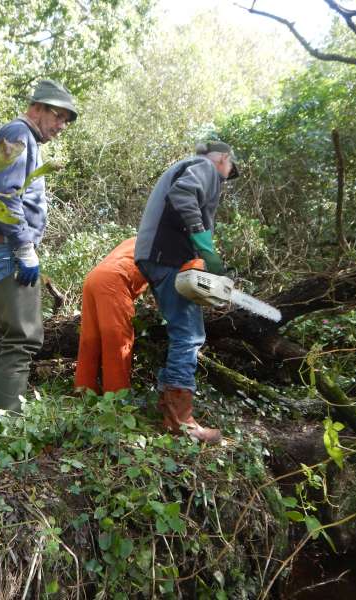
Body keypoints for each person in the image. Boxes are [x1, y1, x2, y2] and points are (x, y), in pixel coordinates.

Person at [0, 79, 78, 420]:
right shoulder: (18, 134)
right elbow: (5, 193)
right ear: (36, 107)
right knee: (22, 339)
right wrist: (24, 248)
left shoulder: (18, 136)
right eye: (58, 116)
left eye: (66, 120)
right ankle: (8, 425)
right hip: (5, 249)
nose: (61, 125)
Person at [134, 136, 239, 442]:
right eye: (229, 170)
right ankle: (181, 421)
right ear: (223, 159)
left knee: (181, 330)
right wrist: (204, 245)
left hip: (155, 257)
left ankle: (169, 411)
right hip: (167, 257)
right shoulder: (204, 167)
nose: (226, 178)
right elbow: (183, 194)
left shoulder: (185, 166)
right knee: (189, 335)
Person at [74, 237, 148, 394]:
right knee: (117, 340)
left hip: (93, 278)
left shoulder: (138, 239)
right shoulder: (163, 243)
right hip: (115, 280)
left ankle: (83, 391)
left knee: (90, 338)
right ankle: (116, 398)